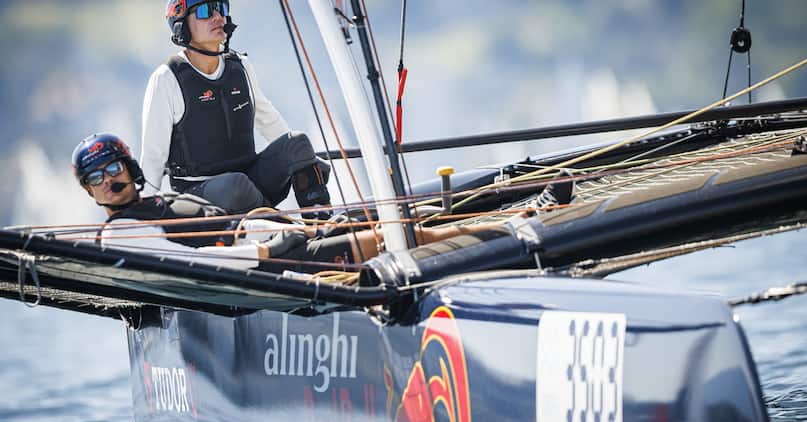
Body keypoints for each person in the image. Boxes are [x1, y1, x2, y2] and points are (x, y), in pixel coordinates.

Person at [73, 133, 507, 273]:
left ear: (129, 167)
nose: (108, 181)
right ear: (90, 192)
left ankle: (497, 225)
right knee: (391, 238)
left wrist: (281, 232)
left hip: (271, 236)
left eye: (112, 168)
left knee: (393, 221)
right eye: (96, 178)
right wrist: (267, 252)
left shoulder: (154, 204)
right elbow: (193, 264)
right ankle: (509, 237)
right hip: (266, 264)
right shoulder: (121, 232)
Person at [141, 0, 332, 220]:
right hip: (200, 193)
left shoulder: (240, 66)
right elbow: (153, 156)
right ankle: (284, 225)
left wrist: (304, 161)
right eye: (204, 11)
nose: (217, 17)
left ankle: (322, 221)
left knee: (297, 141)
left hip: (249, 180)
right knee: (236, 185)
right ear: (181, 26)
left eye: (221, 8)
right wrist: (142, 213)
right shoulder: (166, 78)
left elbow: (270, 122)